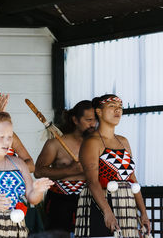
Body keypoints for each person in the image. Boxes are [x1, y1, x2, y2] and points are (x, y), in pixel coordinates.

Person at [75, 94, 151, 237]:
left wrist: (144, 212)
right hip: (101, 204)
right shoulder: (92, 142)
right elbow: (92, 181)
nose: (118, 111)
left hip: (126, 204)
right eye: (112, 107)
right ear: (99, 111)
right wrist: (107, 212)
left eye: (120, 108)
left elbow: (132, 178)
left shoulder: (124, 141)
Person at [34, 100, 96, 233]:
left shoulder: (98, 144)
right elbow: (38, 172)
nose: (93, 124)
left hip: (90, 199)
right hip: (60, 201)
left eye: (95, 120)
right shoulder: (55, 144)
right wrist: (70, 170)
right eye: (89, 120)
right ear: (75, 120)